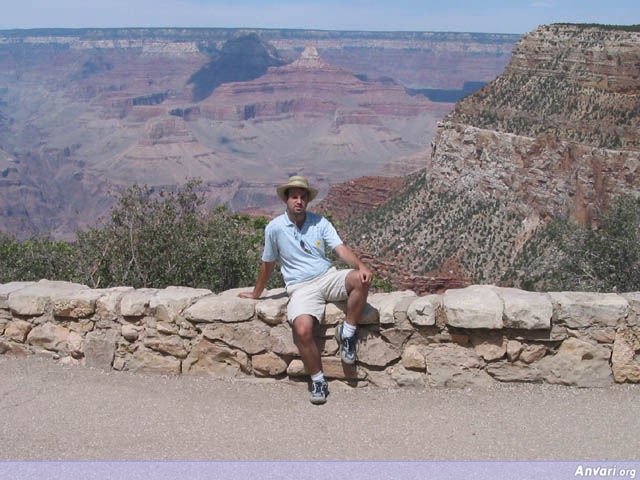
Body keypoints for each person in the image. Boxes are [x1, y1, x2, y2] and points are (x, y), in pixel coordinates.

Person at [238, 175, 372, 404]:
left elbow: (340, 249)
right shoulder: (275, 228)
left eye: (302, 197)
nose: (299, 201)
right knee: (302, 330)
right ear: (286, 200)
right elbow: (267, 263)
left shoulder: (320, 222)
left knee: (361, 280)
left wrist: (360, 266)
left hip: (327, 277)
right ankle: (318, 380)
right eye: (294, 197)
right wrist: (256, 293)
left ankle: (347, 333)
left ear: (307, 200)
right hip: (300, 287)